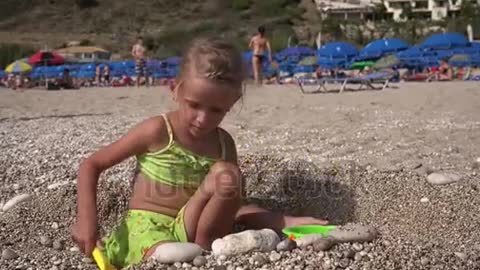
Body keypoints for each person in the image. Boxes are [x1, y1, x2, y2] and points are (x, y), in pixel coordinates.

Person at [72, 37, 327, 269]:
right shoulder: (158, 130)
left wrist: (283, 220)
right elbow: (91, 166)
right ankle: (177, 254)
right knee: (164, 249)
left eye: (216, 110)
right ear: (176, 89)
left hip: (191, 225)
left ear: (232, 102)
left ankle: (206, 251)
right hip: (148, 225)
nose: (202, 119)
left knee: (228, 175)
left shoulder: (224, 143)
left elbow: (235, 207)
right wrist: (87, 220)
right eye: (194, 105)